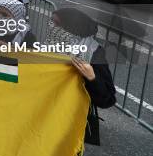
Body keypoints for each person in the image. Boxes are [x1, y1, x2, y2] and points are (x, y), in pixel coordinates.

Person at [44, 8, 116, 147]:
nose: (51, 26)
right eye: (51, 21)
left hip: (69, 121)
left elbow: (107, 99)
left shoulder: (93, 54)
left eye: (56, 23)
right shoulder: (50, 43)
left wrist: (92, 77)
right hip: (45, 113)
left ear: (71, 28)